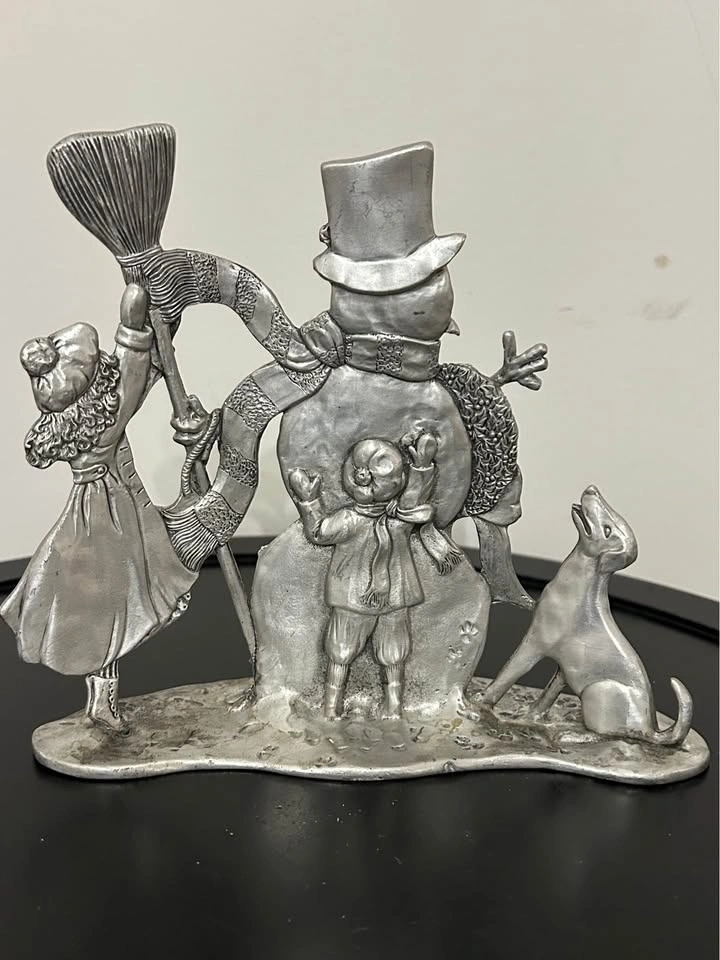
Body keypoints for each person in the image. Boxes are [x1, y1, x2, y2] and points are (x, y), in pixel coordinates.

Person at [1, 284, 197, 732]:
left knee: (105, 613)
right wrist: (136, 315)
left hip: (87, 517)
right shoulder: (108, 418)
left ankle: (102, 701)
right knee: (116, 608)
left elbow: (136, 379)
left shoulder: (69, 428)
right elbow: (131, 370)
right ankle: (103, 705)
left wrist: (157, 342)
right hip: (111, 520)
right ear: (95, 389)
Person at [289, 430, 459, 720]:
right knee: (354, 653)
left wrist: (310, 502)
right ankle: (339, 708)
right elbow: (318, 535)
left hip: (370, 597)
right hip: (374, 597)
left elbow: (318, 531)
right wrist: (421, 467)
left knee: (377, 653)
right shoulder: (394, 518)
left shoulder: (387, 518)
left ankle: (376, 708)